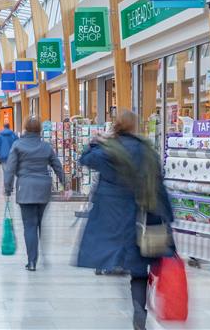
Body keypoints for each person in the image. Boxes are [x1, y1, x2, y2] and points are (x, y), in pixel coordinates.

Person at [76, 110, 174, 330]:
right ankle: (139, 308)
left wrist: (97, 141)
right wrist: (168, 217)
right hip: (143, 218)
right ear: (134, 126)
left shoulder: (108, 150)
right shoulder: (147, 150)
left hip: (114, 218)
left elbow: (85, 159)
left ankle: (110, 267)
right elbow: (158, 183)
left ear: (116, 126)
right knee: (139, 270)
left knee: (113, 251)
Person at [4, 118, 64, 271]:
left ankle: (32, 261)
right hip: (43, 189)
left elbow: (10, 169)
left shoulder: (17, 145)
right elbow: (57, 165)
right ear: (39, 130)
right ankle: (41, 254)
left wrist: (7, 188)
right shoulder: (45, 146)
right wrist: (66, 185)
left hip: (25, 188)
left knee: (29, 225)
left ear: (25, 129)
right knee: (39, 222)